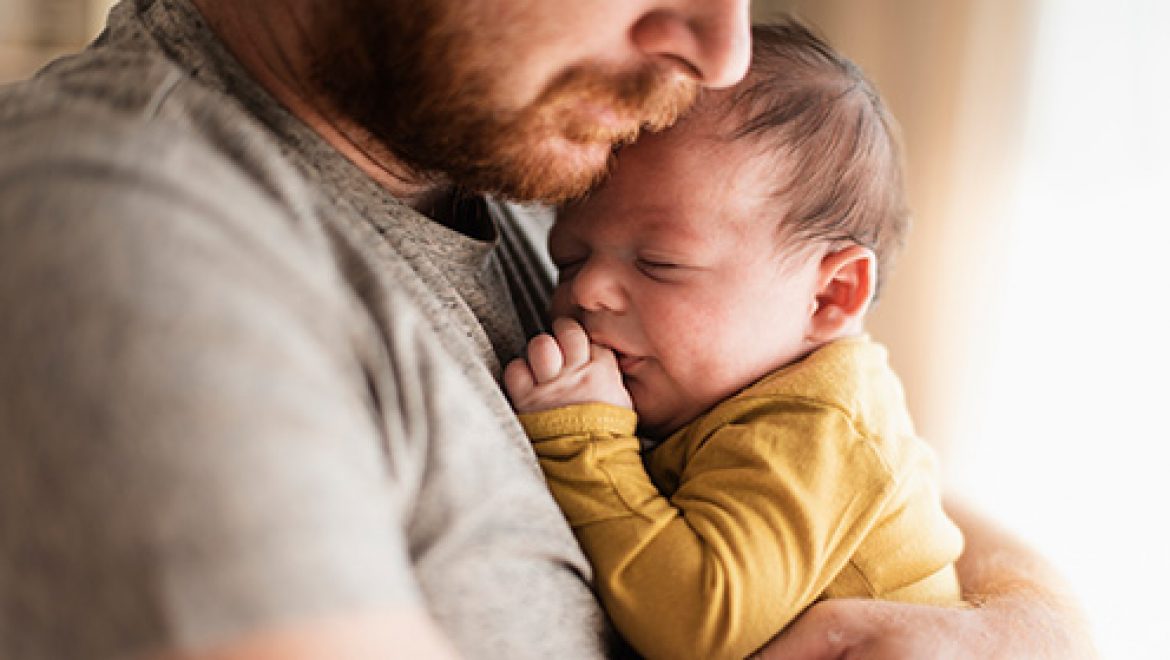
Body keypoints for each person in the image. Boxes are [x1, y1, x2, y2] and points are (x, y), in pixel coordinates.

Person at [0, 0, 1093, 659]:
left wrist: (1022, 626)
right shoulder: (130, 241)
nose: (721, 46)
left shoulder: (540, 166)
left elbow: (838, 449)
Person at [504, 22, 963, 660]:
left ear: (830, 296)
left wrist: (585, 442)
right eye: (570, 258)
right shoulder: (736, 391)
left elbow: (700, 623)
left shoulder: (817, 427)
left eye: (659, 263)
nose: (589, 293)